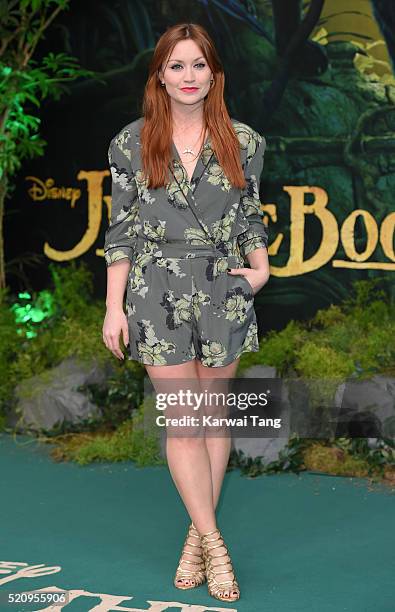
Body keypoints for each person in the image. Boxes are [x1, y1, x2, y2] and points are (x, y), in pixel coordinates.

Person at [102, 22, 270, 603]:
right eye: (177, 66)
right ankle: (215, 545)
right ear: (160, 76)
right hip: (154, 293)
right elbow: (121, 230)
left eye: (199, 65)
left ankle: (196, 536)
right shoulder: (131, 142)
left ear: (214, 74)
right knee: (184, 421)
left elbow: (249, 212)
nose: (189, 77)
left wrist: (262, 266)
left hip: (223, 288)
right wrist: (113, 309)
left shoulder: (244, 141)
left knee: (214, 418)